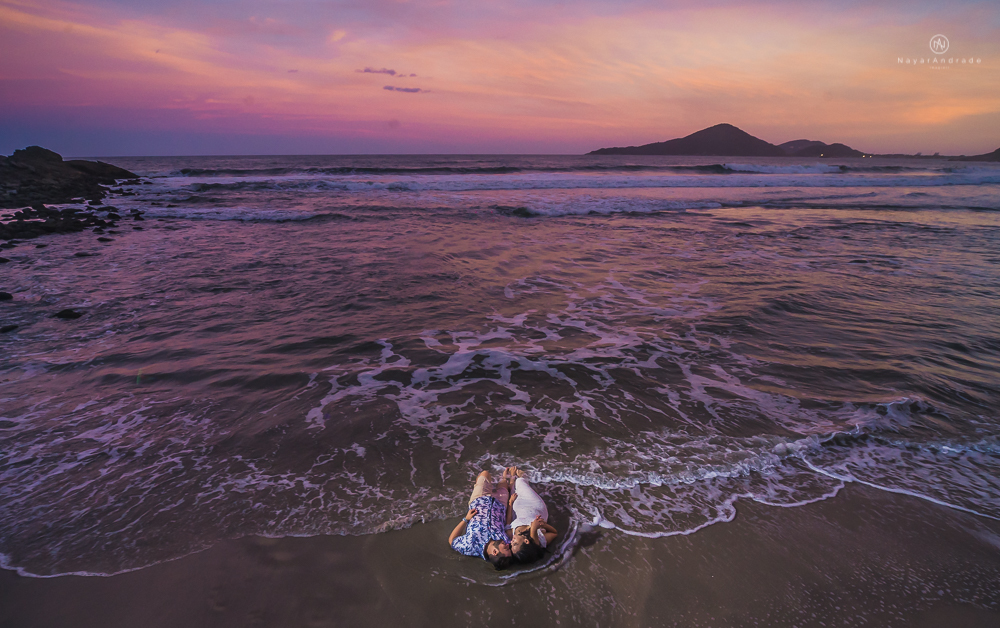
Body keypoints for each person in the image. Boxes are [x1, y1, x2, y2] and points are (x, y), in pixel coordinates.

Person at [448, 469, 514, 570]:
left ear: (495, 552)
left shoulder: (470, 546)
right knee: (504, 483)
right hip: (501, 504)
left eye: (506, 548)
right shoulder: (505, 540)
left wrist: (465, 519)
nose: (508, 545)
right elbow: (508, 524)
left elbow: (452, 540)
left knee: (485, 474)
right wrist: (510, 504)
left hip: (479, 500)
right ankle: (504, 477)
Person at [506, 467, 557, 565]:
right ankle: (522, 475)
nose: (511, 542)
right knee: (520, 481)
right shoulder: (539, 540)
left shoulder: (511, 534)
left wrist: (510, 503)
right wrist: (543, 525)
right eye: (515, 543)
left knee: (511, 491)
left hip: (517, 505)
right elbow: (554, 533)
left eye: (511, 545)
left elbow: (508, 521)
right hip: (534, 505)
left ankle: (512, 477)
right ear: (526, 541)